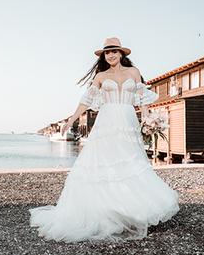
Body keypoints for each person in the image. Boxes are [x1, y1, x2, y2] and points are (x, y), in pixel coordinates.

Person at [29, 37, 180, 243]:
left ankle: (134, 210)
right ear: (104, 56)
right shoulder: (101, 76)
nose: (110, 55)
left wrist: (147, 119)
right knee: (106, 162)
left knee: (131, 161)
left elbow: (143, 100)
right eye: (107, 52)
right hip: (106, 122)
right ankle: (108, 211)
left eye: (114, 52)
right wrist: (71, 120)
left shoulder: (133, 73)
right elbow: (86, 101)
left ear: (121, 54)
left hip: (127, 121)